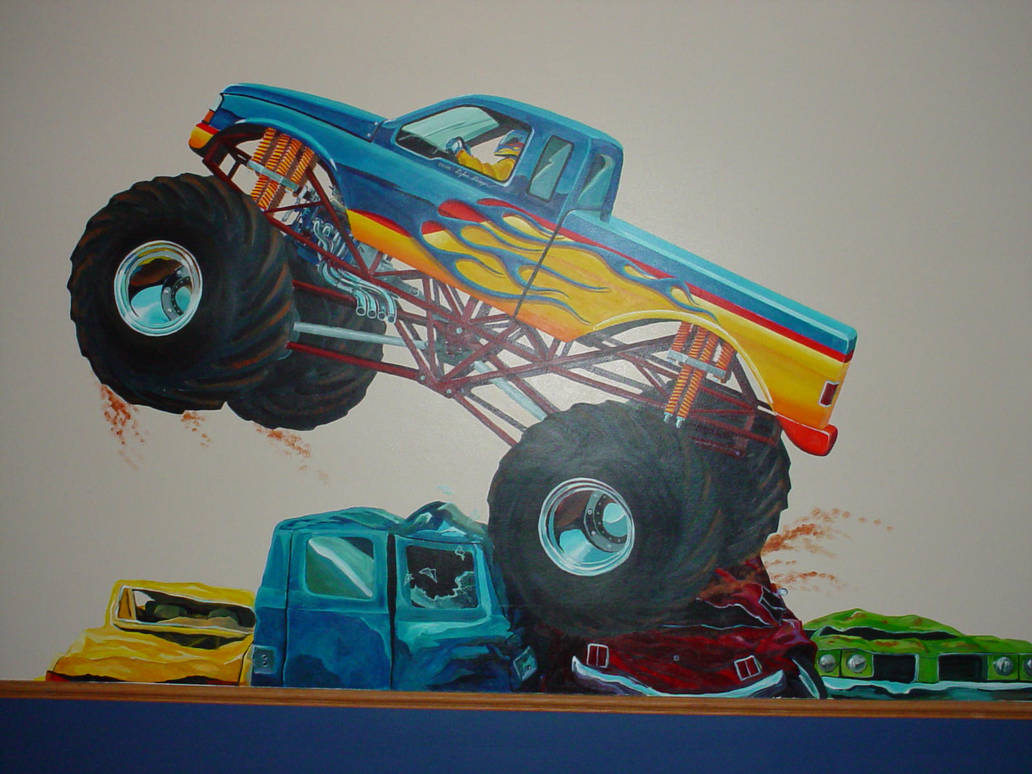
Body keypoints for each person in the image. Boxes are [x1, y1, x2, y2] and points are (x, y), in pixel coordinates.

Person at [446, 129, 527, 181]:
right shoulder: (521, 167)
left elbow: (483, 173)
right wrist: (468, 157)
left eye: (513, 140)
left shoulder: (511, 164)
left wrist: (460, 153)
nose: (507, 142)